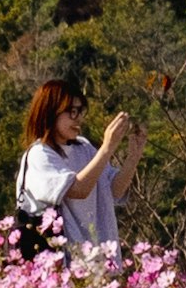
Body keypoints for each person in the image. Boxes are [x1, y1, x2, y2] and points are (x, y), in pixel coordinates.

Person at [16, 79, 132, 271]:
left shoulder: (83, 148)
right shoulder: (39, 155)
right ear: (50, 112)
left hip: (96, 264)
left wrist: (134, 155)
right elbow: (78, 189)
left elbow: (114, 190)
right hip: (58, 269)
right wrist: (107, 148)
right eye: (71, 111)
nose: (78, 118)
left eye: (80, 111)